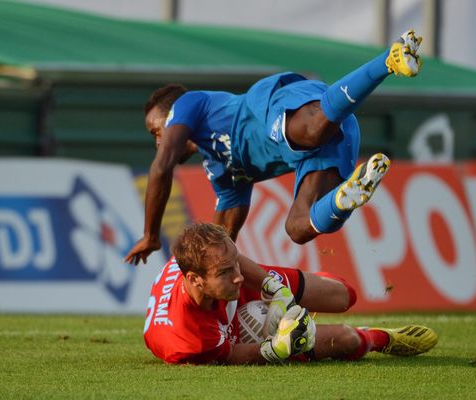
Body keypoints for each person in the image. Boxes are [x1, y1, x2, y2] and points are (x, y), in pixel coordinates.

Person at [125, 30, 424, 266]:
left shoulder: (190, 104)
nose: (157, 141)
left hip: (279, 104)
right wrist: (197, 275)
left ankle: (389, 59)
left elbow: (161, 167)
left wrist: (151, 235)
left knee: (312, 131)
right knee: (298, 228)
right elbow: (223, 238)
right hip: (320, 146)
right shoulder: (220, 171)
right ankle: (344, 200)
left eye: (156, 130)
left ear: (173, 114)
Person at [143, 222, 438, 364]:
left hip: (234, 296)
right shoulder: (188, 339)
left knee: (344, 295)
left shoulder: (220, 267)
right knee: (347, 339)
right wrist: (276, 348)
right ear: (194, 280)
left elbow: (232, 265)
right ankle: (379, 338)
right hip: (224, 333)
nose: (238, 275)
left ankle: (300, 304)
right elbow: (232, 354)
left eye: (235, 263)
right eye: (224, 272)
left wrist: (275, 289)